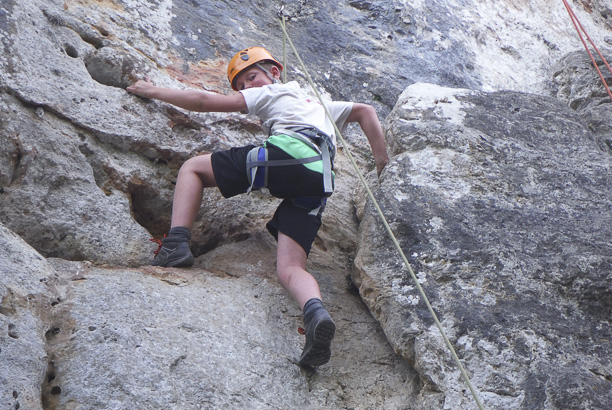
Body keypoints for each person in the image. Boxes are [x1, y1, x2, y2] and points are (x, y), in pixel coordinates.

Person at [127, 46, 389, 367]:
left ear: (274, 73)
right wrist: (382, 162)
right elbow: (365, 111)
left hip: (289, 154)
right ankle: (316, 315)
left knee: (193, 169)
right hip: (319, 180)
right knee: (290, 268)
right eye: (241, 86)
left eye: (251, 77)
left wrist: (152, 90)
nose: (247, 87)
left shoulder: (272, 92)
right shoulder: (319, 105)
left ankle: (176, 244)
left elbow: (203, 102)